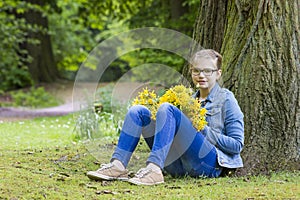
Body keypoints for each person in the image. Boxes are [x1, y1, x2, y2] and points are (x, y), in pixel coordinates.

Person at [87, 49, 244, 186]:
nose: (201, 75)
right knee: (138, 111)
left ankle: (154, 169)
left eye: (207, 71)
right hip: (177, 166)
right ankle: (117, 165)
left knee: (167, 109)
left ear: (218, 74)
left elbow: (237, 145)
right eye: (196, 71)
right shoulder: (185, 99)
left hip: (207, 165)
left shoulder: (226, 99)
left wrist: (202, 129)